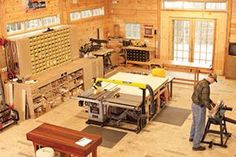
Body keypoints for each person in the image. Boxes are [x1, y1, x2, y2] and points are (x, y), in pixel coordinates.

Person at [189, 73, 217, 151]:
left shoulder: (201, 82)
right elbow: (204, 99)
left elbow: (203, 96)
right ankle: (196, 145)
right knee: (200, 125)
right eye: (214, 81)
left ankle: (192, 137)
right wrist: (210, 109)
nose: (213, 82)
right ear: (211, 78)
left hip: (194, 104)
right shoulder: (206, 86)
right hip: (199, 107)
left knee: (195, 122)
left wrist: (211, 102)